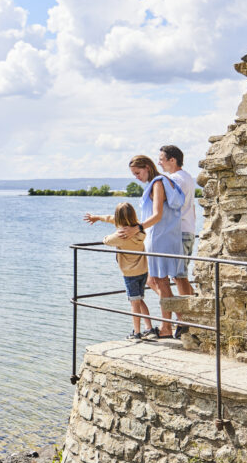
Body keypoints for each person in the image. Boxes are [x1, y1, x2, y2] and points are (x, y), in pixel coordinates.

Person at [118, 155, 185, 337]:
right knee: (156, 281)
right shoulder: (161, 183)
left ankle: (168, 326)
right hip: (166, 236)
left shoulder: (157, 184)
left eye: (138, 173)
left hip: (159, 238)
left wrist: (136, 228)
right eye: (134, 174)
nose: (137, 177)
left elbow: (157, 215)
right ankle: (179, 319)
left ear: (148, 167)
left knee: (161, 282)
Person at [83, 202, 157, 340]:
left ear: (119, 219)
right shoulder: (139, 228)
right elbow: (111, 218)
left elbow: (107, 241)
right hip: (143, 270)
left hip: (130, 274)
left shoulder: (121, 236)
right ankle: (149, 328)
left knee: (134, 303)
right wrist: (97, 217)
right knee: (140, 300)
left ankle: (136, 333)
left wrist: (110, 234)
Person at [158, 145, 196, 301]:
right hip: (187, 229)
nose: (159, 163)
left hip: (178, 231)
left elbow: (170, 206)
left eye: (161, 159)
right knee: (179, 276)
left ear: (172, 160)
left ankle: (187, 318)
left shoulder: (175, 179)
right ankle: (192, 310)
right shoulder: (187, 177)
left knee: (179, 276)